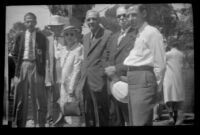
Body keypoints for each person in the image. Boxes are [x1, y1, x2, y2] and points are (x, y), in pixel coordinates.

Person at [123, 5, 166, 126]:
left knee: (140, 122)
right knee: (134, 122)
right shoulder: (137, 34)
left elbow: (160, 64)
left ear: (144, 13)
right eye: (128, 15)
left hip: (144, 79)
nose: (130, 18)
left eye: (134, 15)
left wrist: (157, 89)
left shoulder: (152, 32)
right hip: (133, 79)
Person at [76, 10, 112, 127]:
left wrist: (101, 76)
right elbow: (86, 60)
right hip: (85, 82)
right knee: (88, 114)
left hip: (99, 82)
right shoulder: (85, 37)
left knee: (101, 115)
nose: (91, 21)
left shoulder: (107, 34)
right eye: (89, 19)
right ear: (86, 21)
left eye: (94, 19)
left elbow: (108, 58)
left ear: (99, 20)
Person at [11, 12, 47, 127]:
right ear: (24, 23)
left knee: (39, 97)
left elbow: (45, 54)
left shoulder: (41, 36)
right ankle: (19, 123)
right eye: (27, 21)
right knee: (20, 98)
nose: (30, 23)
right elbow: (14, 54)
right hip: (23, 66)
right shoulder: (19, 36)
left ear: (36, 22)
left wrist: (42, 69)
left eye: (32, 21)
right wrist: (19, 67)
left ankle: (40, 123)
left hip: (37, 67)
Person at [105, 6, 136, 126]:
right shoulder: (113, 37)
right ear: (116, 19)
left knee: (130, 119)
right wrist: (109, 70)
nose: (122, 18)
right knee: (115, 119)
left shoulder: (136, 34)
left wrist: (116, 70)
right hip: (112, 84)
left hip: (127, 82)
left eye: (124, 15)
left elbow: (135, 59)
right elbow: (106, 56)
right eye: (119, 16)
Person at [57, 23, 84, 127]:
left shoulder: (79, 48)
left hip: (73, 86)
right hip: (63, 85)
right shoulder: (64, 49)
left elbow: (77, 70)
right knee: (65, 109)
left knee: (73, 110)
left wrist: (71, 88)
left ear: (76, 35)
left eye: (72, 34)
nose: (69, 37)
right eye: (66, 34)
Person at [45, 15, 66, 127]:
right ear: (51, 28)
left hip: (64, 72)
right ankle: (53, 119)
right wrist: (48, 78)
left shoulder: (67, 38)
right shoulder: (47, 40)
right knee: (53, 98)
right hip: (53, 73)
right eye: (54, 27)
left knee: (64, 97)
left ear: (62, 27)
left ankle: (63, 119)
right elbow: (46, 61)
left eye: (58, 27)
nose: (56, 29)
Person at [163, 42, 185, 125]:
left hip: (168, 78)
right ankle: (176, 116)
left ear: (170, 45)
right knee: (177, 98)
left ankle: (171, 117)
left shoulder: (167, 54)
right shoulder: (181, 54)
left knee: (168, 97)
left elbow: (161, 64)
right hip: (179, 78)